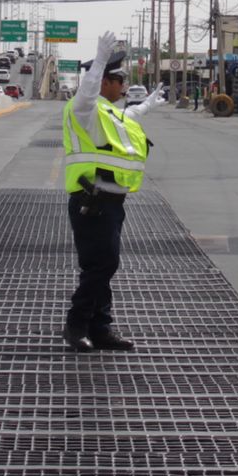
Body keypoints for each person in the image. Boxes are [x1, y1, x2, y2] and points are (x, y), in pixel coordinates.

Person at [61, 30, 165, 353]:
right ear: (104, 81)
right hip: (91, 202)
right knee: (100, 266)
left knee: (106, 266)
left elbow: (126, 117)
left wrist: (146, 106)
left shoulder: (107, 112)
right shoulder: (83, 109)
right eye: (119, 80)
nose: (123, 86)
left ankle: (100, 327)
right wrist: (100, 60)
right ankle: (76, 325)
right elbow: (87, 95)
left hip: (111, 204)